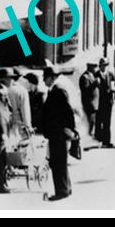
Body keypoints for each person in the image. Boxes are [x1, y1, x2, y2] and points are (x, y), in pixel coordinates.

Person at [41, 67, 76, 201]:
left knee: (58, 162)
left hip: (58, 132)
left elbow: (68, 111)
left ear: (51, 77)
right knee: (59, 161)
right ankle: (66, 188)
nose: (44, 80)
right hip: (56, 132)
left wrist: (69, 129)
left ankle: (62, 191)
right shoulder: (55, 91)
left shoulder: (58, 91)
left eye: (45, 77)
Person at [4, 68, 32, 148]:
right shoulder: (22, 90)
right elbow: (25, 110)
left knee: (6, 147)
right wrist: (28, 126)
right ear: (20, 77)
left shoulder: (4, 89)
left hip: (5, 122)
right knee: (16, 148)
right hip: (18, 123)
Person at [95, 58, 115, 147]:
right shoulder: (96, 75)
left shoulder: (110, 74)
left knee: (107, 122)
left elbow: (113, 85)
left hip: (108, 101)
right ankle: (99, 140)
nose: (104, 67)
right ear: (100, 66)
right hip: (99, 101)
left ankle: (107, 141)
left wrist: (113, 93)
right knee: (99, 121)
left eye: (106, 65)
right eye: (102, 65)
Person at [78, 65, 100, 138]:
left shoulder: (91, 75)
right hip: (89, 102)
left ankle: (90, 135)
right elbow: (86, 90)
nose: (96, 69)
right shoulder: (85, 77)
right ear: (90, 67)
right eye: (95, 67)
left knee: (92, 121)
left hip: (93, 102)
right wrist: (94, 84)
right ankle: (88, 136)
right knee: (90, 121)